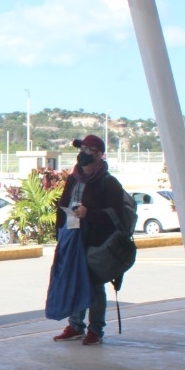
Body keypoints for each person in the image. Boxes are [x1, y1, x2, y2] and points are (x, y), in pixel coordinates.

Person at [51, 134, 129, 346]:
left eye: (89, 151)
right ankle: (75, 325)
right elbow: (63, 204)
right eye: (82, 150)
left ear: (99, 155)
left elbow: (116, 215)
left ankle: (96, 329)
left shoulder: (108, 182)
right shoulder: (73, 178)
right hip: (72, 237)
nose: (83, 155)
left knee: (94, 285)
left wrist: (90, 213)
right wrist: (60, 232)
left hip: (96, 241)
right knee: (73, 279)